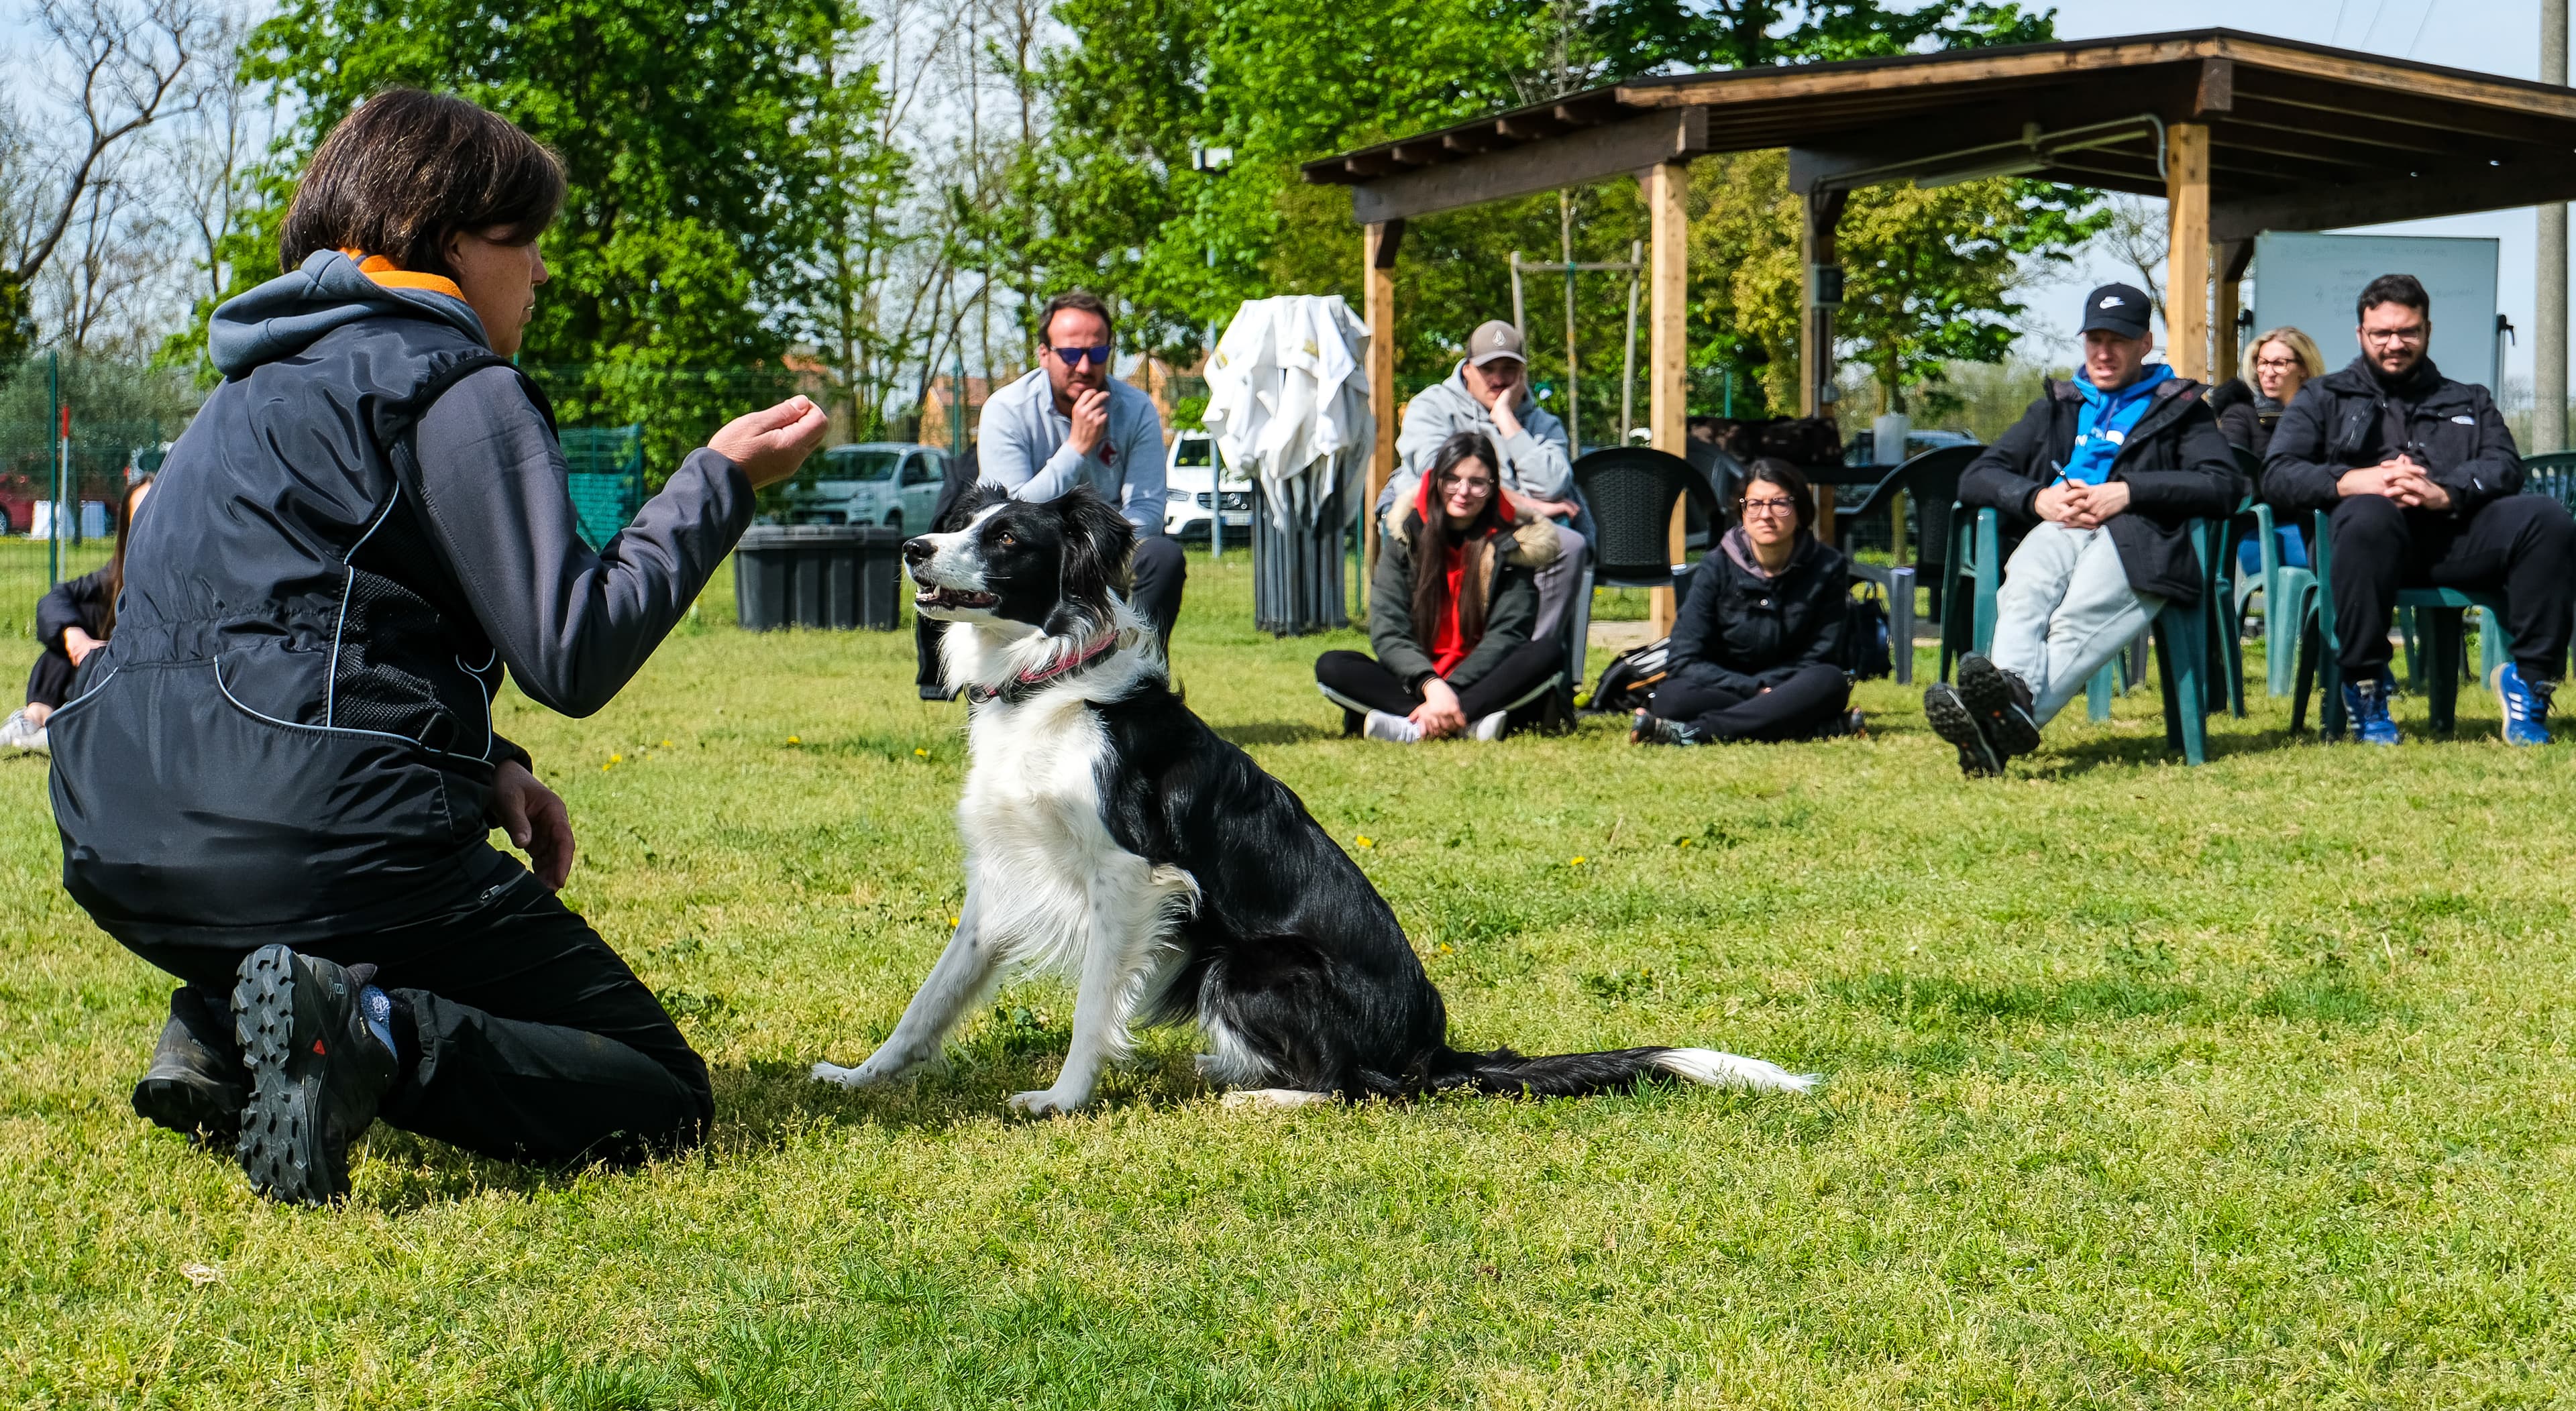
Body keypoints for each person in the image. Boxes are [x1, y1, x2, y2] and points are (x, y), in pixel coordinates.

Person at [50, 90, 829, 1206]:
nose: (544, 275)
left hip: (115, 836)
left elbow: (299, 630)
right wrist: (718, 483)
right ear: (454, 238)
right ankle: (367, 1030)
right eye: (531, 242)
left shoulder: (239, 394)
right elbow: (573, 648)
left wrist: (485, 761)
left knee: (304, 876)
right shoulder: (452, 379)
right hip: (313, 841)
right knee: (662, 1091)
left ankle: (217, 1019)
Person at [1924, 282, 2241, 776]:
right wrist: (2036, 498)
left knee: (2078, 616)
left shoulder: (2180, 408)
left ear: (2145, 343)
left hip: (2139, 537)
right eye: (2094, 339)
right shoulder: (2058, 405)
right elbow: (1978, 475)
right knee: (2024, 589)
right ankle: (2007, 708)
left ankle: (1997, 727)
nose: (2104, 351)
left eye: (2117, 340)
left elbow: (2225, 485)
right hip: (2060, 527)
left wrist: (2130, 490)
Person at [2264, 273, 2576, 745]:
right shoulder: (2322, 397)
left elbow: (2505, 467)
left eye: (2407, 331)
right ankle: (2366, 685)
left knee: (2547, 518)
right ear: (2360, 334)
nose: (2395, 343)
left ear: (2427, 331)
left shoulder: (2468, 397)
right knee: (2371, 513)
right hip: (2359, 548)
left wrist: (2443, 491)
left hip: (2451, 541)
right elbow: (2278, 474)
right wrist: (2354, 481)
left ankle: (2529, 681)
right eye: (2382, 333)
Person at [1316, 431, 1562, 742]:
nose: (1463, 491)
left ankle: (1419, 725)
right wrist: (1431, 685)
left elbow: (1508, 634)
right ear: (1436, 480)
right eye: (1452, 479)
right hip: (1414, 681)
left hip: (1480, 680)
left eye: (1477, 482)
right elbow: (1389, 630)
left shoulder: (1513, 544)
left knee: (1547, 652)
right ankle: (1462, 722)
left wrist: (1452, 692)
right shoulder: (1404, 536)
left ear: (1492, 488)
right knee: (1333, 665)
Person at [977, 292, 1183, 649]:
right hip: (1026, 553)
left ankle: (1145, 669)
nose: (1085, 367)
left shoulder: (1135, 409)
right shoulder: (1006, 409)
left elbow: (1147, 511)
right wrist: (1076, 448)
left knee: (1162, 556)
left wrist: (1089, 551)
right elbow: (1007, 514)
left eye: (1098, 353)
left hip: (1106, 550)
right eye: (1071, 354)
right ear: (1044, 354)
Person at [1630, 459, 1860, 746]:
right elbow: (1684, 658)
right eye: (1755, 504)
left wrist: (1773, 688)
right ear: (1742, 511)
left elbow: (1823, 655)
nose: (1766, 514)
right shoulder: (1716, 566)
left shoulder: (1828, 567)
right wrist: (1755, 689)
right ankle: (1806, 726)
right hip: (1726, 686)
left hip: (1793, 685)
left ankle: (1694, 733)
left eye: (1779, 503)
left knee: (1830, 682)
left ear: (1800, 511)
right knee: (1671, 700)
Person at [1390, 321, 1588, 640]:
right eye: (1488, 369)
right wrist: (1530, 506)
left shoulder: (1542, 424)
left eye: (1509, 369)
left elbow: (1553, 485)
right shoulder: (1432, 406)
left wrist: (1506, 419)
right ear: (1467, 370)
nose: (1498, 379)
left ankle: (1534, 655)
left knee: (1571, 545)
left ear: (1522, 374)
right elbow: (1439, 480)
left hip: (1514, 528)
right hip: (1448, 523)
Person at [0, 475, 152, 754]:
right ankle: (36, 717)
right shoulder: (115, 576)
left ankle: (65, 728)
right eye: (140, 517)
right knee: (79, 615)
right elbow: (56, 599)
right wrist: (74, 634)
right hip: (99, 676)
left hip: (143, 683)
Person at [2214, 327, 2328, 581]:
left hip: (2319, 525)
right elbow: (2232, 472)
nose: (2268, 372)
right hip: (2262, 530)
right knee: (2340, 554)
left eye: (2279, 363)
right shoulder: (2242, 414)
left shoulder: (2326, 416)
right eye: (2262, 363)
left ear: (2304, 368)